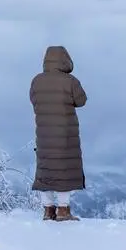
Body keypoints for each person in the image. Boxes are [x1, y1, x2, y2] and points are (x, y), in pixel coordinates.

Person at [30, 45, 88, 221]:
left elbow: (34, 100)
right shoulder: (70, 81)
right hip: (65, 134)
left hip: (44, 133)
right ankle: (63, 210)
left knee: (46, 170)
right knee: (64, 169)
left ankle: (48, 210)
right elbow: (81, 101)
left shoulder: (36, 81)